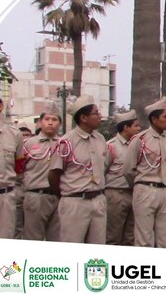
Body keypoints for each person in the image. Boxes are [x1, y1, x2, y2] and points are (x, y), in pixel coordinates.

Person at [49, 95, 107, 244]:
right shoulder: (66, 142)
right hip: (75, 202)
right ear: (83, 117)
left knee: (97, 255)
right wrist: (66, 196)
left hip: (98, 199)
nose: (100, 116)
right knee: (73, 249)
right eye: (96, 113)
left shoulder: (100, 139)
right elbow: (54, 174)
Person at [123, 96, 166, 248]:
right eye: (165, 116)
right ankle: (145, 270)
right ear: (154, 119)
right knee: (143, 239)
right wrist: (140, 187)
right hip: (146, 190)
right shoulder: (140, 139)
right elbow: (128, 169)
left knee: (165, 239)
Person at [22, 103, 61, 241]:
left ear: (60, 123)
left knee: (57, 240)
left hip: (59, 197)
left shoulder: (64, 144)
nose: (50, 123)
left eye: (54, 119)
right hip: (35, 196)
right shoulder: (28, 144)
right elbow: (19, 170)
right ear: (40, 122)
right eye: (47, 119)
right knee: (33, 240)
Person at [105, 110, 140, 246]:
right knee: (113, 236)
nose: (139, 129)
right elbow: (102, 171)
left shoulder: (138, 145)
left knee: (131, 236)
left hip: (134, 193)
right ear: (126, 128)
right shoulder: (111, 146)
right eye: (136, 126)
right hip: (115, 194)